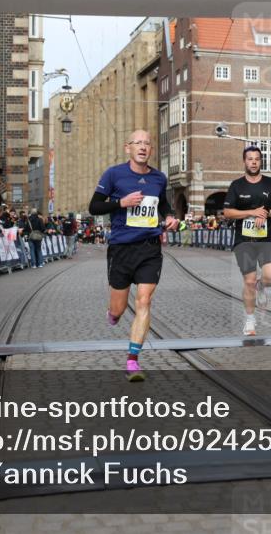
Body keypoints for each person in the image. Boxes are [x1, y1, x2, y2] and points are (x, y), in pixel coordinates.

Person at [88, 130, 178, 382]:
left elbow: (163, 205)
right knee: (118, 308)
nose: (143, 147)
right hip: (121, 248)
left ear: (151, 149)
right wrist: (120, 203)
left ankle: (132, 360)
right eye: (138, 143)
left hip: (149, 248)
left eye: (147, 143)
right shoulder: (114, 174)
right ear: (128, 147)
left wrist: (170, 217)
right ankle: (113, 313)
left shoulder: (159, 178)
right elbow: (94, 206)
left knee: (144, 301)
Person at [223, 146, 271, 336]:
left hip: (267, 239)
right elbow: (227, 212)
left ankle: (262, 286)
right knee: (248, 281)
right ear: (244, 161)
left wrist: (265, 212)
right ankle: (250, 321)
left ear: (261, 161)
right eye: (250, 159)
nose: (253, 162)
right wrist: (251, 212)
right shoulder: (237, 186)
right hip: (244, 240)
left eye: (257, 159)